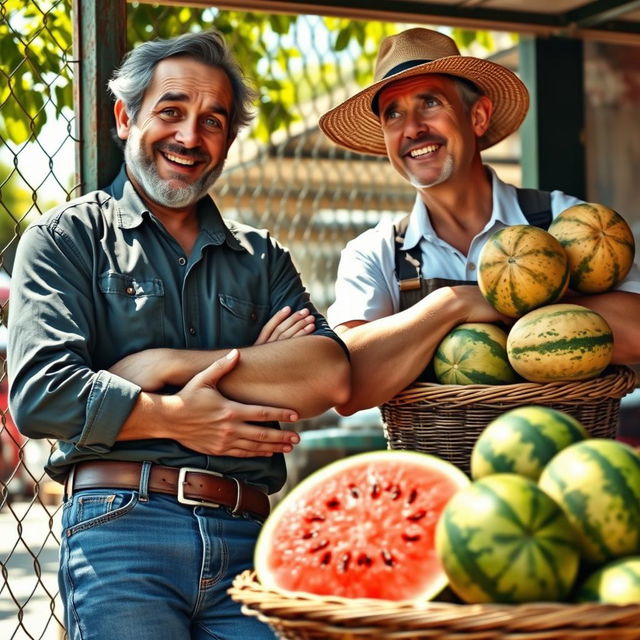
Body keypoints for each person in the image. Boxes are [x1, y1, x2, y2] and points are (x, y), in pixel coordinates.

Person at [8, 30, 350, 640]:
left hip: (250, 536)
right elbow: (42, 396)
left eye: (213, 120)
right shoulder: (66, 240)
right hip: (122, 530)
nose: (190, 137)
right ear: (124, 117)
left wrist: (158, 363)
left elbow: (326, 374)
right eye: (171, 112)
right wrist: (176, 416)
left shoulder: (261, 257)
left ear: (228, 140)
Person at [318, 27, 640, 415]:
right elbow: (345, 385)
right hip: (436, 464)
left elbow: (637, 330)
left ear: (479, 115)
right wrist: (453, 305)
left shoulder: (561, 219)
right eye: (394, 113)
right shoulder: (375, 252)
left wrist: (511, 301)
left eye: (430, 103)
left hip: (565, 462)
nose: (412, 127)